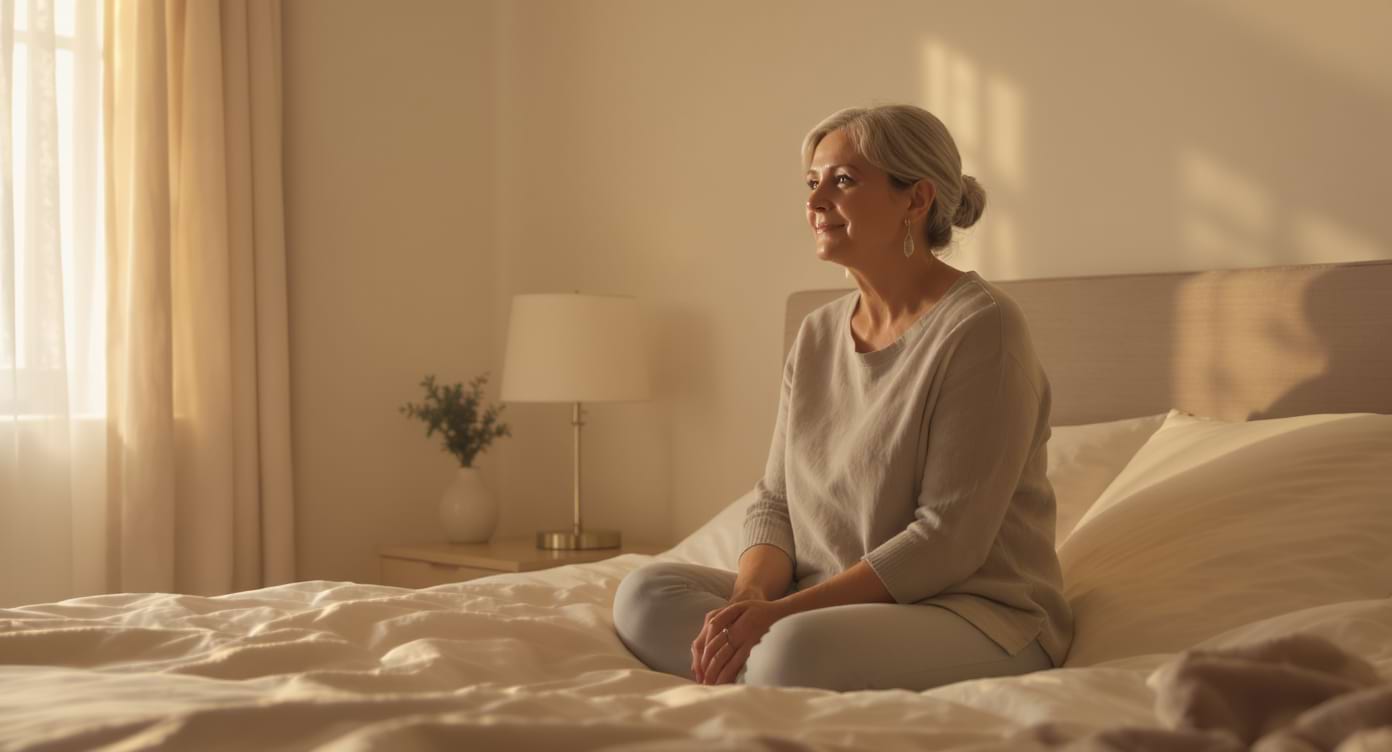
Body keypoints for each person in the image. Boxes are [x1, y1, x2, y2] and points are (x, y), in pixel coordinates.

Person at [611, 104, 1073, 691]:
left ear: (916, 200)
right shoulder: (817, 332)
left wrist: (779, 617)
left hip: (972, 613)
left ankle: (769, 671)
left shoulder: (984, 328)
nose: (816, 200)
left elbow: (945, 542)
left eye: (844, 180)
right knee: (645, 594)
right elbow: (775, 501)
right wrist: (750, 598)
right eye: (812, 182)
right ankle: (768, 670)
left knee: (793, 651)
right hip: (819, 608)